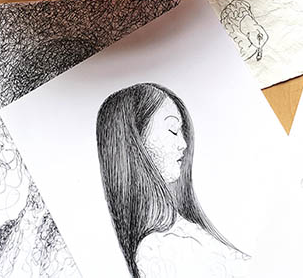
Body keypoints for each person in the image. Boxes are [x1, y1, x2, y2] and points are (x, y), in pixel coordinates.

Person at [96, 83, 247, 278]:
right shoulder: (158, 250)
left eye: (182, 132)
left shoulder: (178, 232)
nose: (183, 144)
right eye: (173, 130)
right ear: (135, 141)